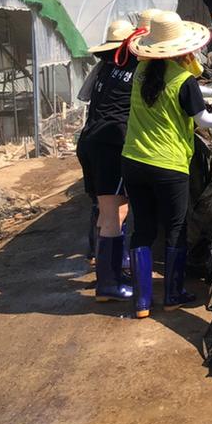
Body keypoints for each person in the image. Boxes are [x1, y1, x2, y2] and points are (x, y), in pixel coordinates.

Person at [122, 12, 212, 318]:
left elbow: (190, 95)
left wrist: (210, 93)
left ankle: (142, 302)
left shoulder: (142, 72)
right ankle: (172, 294)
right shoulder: (183, 80)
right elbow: (203, 118)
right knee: (175, 228)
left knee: (142, 229)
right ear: (183, 48)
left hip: (133, 161)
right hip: (168, 165)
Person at [77, 19, 136, 301]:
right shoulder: (137, 68)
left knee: (103, 210)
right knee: (116, 212)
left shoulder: (105, 68)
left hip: (89, 139)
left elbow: (85, 97)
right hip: (112, 144)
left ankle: (110, 269)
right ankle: (109, 284)